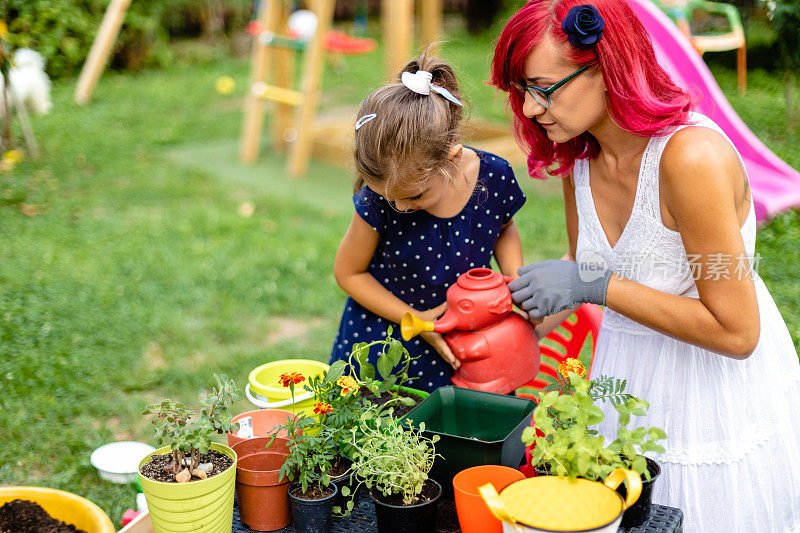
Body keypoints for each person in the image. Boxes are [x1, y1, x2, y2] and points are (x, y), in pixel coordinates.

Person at [491, 0, 800, 531]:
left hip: (710, 392)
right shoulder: (579, 157)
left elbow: (737, 330)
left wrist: (592, 284)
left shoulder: (690, 160)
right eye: (521, 91)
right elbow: (582, 263)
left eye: (543, 88)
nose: (532, 109)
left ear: (607, 67)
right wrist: (507, 322)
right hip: (627, 380)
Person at [331, 53, 528, 392]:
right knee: (382, 438)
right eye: (389, 197)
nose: (399, 206)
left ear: (451, 159)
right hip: (385, 345)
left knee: (460, 435)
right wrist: (418, 322)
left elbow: (504, 227)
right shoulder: (379, 200)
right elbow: (349, 272)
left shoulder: (494, 177)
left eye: (415, 196)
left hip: (467, 338)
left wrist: (514, 284)